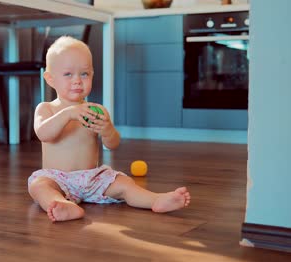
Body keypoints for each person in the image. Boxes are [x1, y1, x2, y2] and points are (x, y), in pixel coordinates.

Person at [28, 36, 191, 222]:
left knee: (124, 183)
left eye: (84, 74)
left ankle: (156, 199)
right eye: (68, 74)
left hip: (92, 178)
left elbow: (112, 144)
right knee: (38, 186)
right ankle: (60, 204)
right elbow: (43, 134)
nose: (77, 81)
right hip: (57, 179)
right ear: (50, 79)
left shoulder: (96, 111)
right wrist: (68, 114)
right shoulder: (46, 108)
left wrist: (107, 130)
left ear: (92, 75)